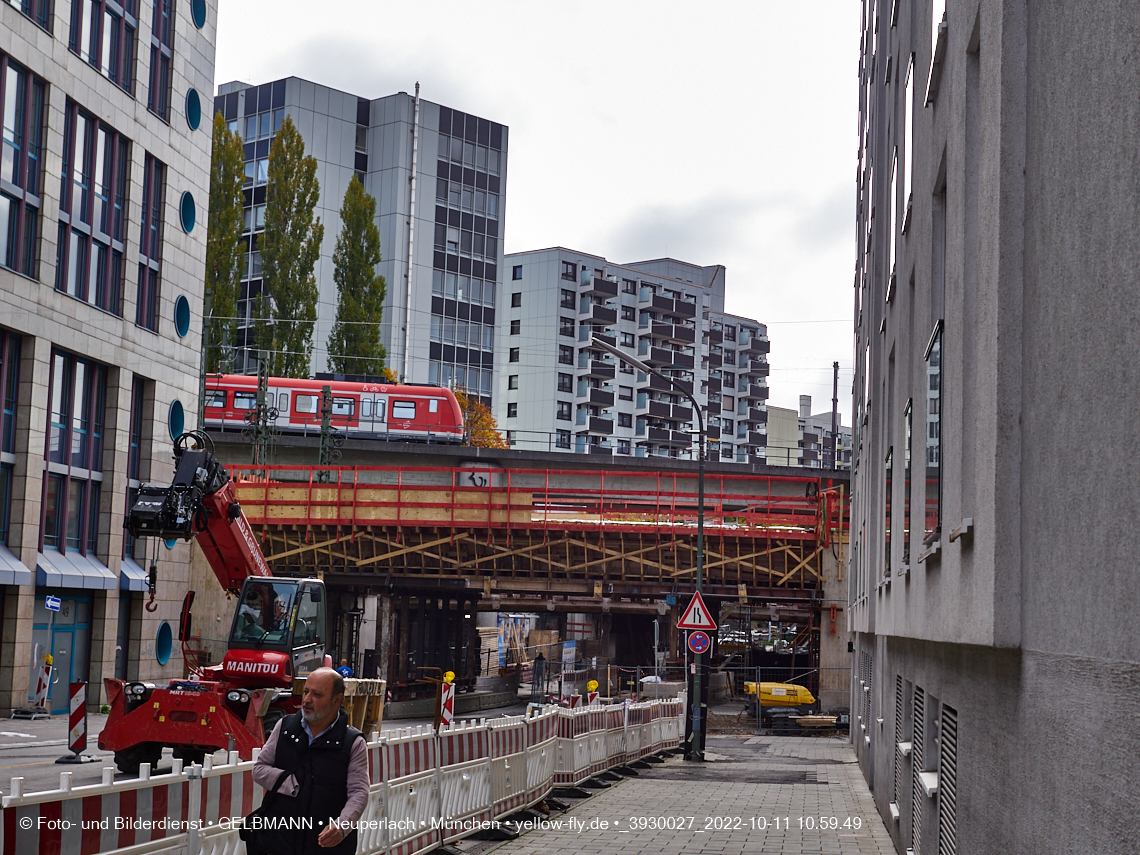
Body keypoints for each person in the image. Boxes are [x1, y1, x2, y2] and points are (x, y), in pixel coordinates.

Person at [252, 668, 369, 853]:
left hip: (325, 845)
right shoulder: (284, 727)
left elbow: (359, 792)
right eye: (306, 691)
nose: (306, 700)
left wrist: (341, 826)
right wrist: (290, 783)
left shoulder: (352, 742)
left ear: (336, 700)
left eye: (317, 695)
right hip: (281, 841)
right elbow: (259, 769)